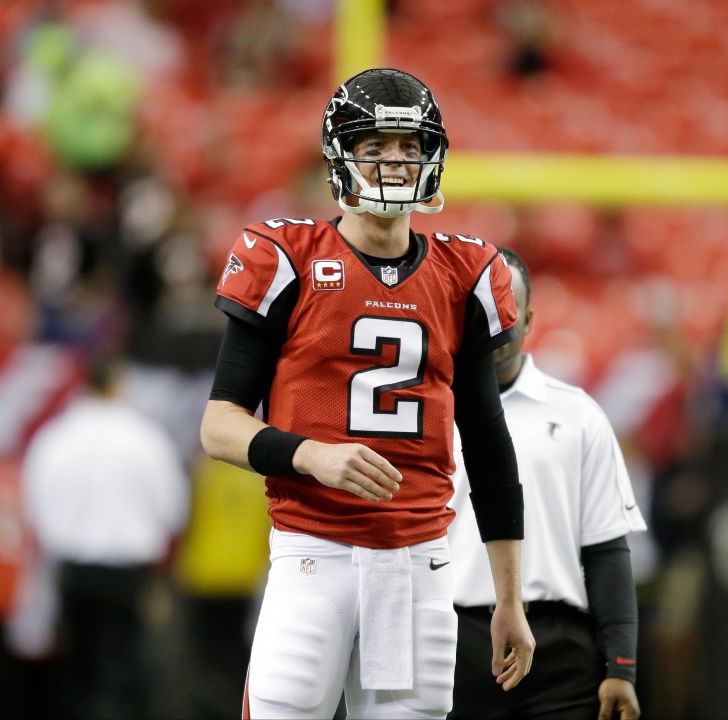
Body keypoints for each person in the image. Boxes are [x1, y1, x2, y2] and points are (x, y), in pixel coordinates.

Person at [199, 67, 535, 720]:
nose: (394, 164)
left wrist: (509, 599)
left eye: (409, 149)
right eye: (375, 147)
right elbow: (218, 425)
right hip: (312, 558)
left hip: (418, 570)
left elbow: (490, 447)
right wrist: (310, 455)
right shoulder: (288, 257)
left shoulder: (464, 273)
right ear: (341, 155)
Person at [446, 247, 647, 720]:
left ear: (530, 319)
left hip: (560, 649)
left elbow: (606, 551)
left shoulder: (578, 415)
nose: (496, 325)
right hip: (452, 643)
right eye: (483, 311)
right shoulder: (423, 412)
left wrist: (622, 664)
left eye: (508, 309)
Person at [21, 354, 189, 719]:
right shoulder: (145, 438)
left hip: (73, 568)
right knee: (125, 662)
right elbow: (172, 507)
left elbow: (34, 501)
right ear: (117, 385)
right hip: (127, 571)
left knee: (78, 665)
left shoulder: (55, 437)